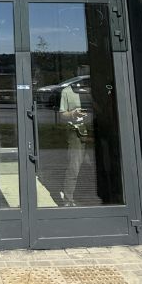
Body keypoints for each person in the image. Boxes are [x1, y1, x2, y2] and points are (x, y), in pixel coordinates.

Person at [59, 77, 96, 206]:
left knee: (94, 166)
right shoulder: (66, 91)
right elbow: (62, 114)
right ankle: (68, 199)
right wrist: (73, 114)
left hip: (92, 129)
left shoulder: (90, 90)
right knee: (74, 167)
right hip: (76, 132)